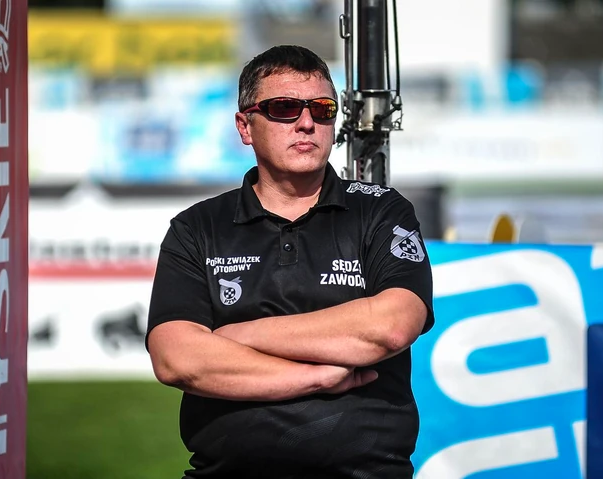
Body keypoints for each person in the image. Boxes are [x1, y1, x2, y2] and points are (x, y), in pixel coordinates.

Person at [146, 44, 435, 478]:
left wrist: (241, 335)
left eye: (322, 109)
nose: (306, 122)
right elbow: (176, 359)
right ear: (245, 126)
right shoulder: (197, 227)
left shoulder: (382, 210)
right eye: (284, 108)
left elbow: (391, 326)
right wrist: (317, 378)